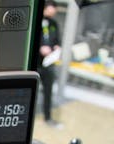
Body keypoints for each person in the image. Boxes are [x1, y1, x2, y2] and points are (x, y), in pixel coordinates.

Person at [39, 0, 62, 128]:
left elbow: (57, 40)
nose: (53, 12)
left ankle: (47, 117)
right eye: (51, 9)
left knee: (48, 90)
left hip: (48, 64)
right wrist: (40, 48)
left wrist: (57, 47)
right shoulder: (36, 22)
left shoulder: (54, 24)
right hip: (36, 64)